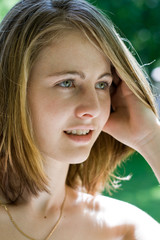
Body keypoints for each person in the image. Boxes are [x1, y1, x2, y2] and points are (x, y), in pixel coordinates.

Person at [0, 0, 160, 239]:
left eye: (102, 85)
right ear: (12, 90)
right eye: (67, 83)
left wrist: (151, 139)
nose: (93, 108)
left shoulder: (124, 229)